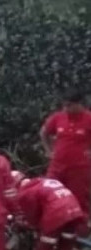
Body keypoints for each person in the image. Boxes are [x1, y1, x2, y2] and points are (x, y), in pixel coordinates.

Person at [11, 170, 85, 250]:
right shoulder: (43, 181)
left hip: (57, 212)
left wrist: (30, 224)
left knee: (47, 241)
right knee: (67, 239)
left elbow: (32, 213)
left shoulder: (27, 192)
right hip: (74, 209)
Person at [40, 90, 91, 233]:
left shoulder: (88, 119)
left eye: (69, 106)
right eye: (64, 106)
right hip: (57, 166)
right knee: (50, 193)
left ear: (79, 104)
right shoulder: (58, 118)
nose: (66, 109)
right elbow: (44, 132)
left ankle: (78, 233)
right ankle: (52, 227)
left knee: (79, 199)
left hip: (79, 168)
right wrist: (48, 151)